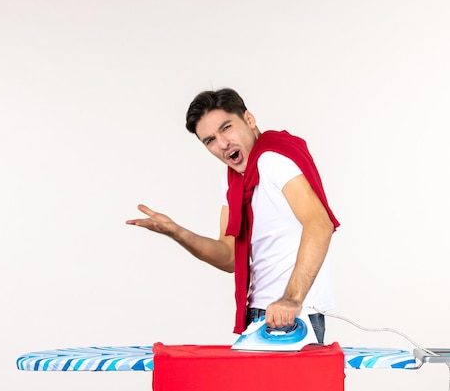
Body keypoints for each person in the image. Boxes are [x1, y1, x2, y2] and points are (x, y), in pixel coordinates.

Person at [126, 88, 339, 343]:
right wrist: (177, 232)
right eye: (210, 140)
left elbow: (319, 224)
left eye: (226, 128)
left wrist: (291, 299)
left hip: (294, 314)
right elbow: (229, 257)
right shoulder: (233, 182)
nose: (222, 144)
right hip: (260, 313)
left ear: (249, 119)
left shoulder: (272, 160)